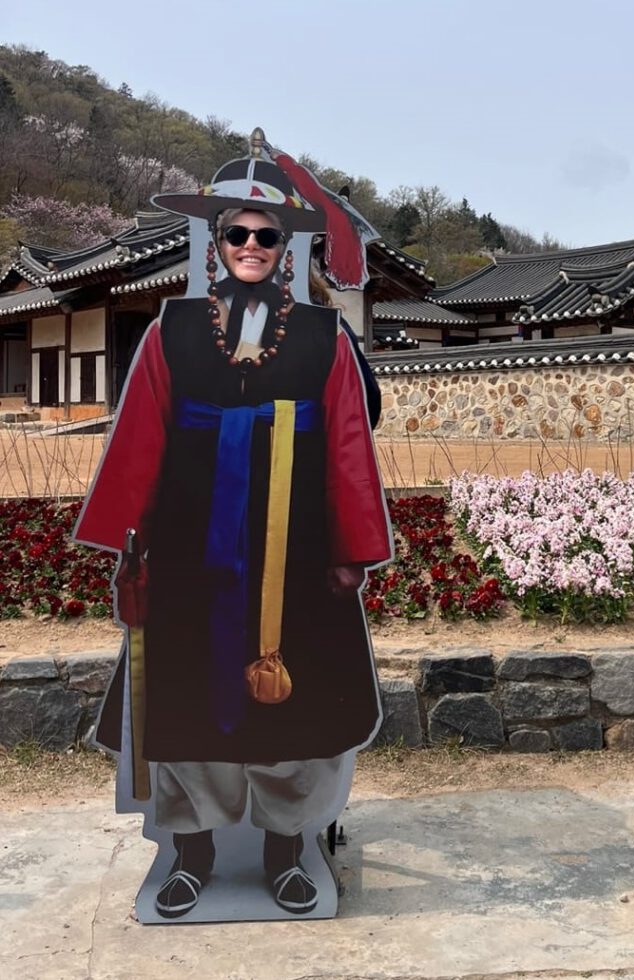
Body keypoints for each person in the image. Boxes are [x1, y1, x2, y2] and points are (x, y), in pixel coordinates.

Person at [75, 148, 392, 919]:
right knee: (186, 696)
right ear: (215, 243)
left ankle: (289, 849)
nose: (251, 247)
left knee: (298, 702)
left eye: (267, 237)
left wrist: (353, 549)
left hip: (298, 549)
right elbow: (141, 435)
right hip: (190, 547)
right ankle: (192, 852)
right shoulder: (173, 329)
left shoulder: (323, 337)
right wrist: (129, 538)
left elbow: (349, 440)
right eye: (236, 235)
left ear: (286, 249)